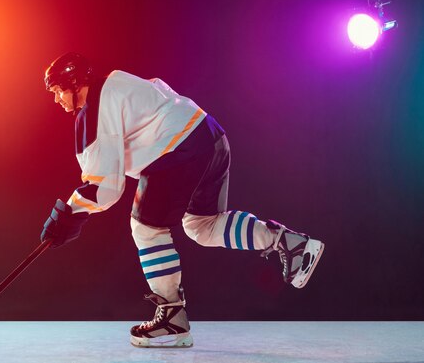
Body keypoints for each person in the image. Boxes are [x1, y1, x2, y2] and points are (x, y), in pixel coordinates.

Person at [40, 52, 325, 348]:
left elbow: (106, 189)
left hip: (178, 149)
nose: (57, 99)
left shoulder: (98, 106)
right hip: (210, 137)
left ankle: (172, 318)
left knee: (146, 227)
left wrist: (68, 212)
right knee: (202, 226)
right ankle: (289, 243)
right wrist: (74, 211)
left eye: (59, 90)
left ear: (75, 84)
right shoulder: (118, 84)